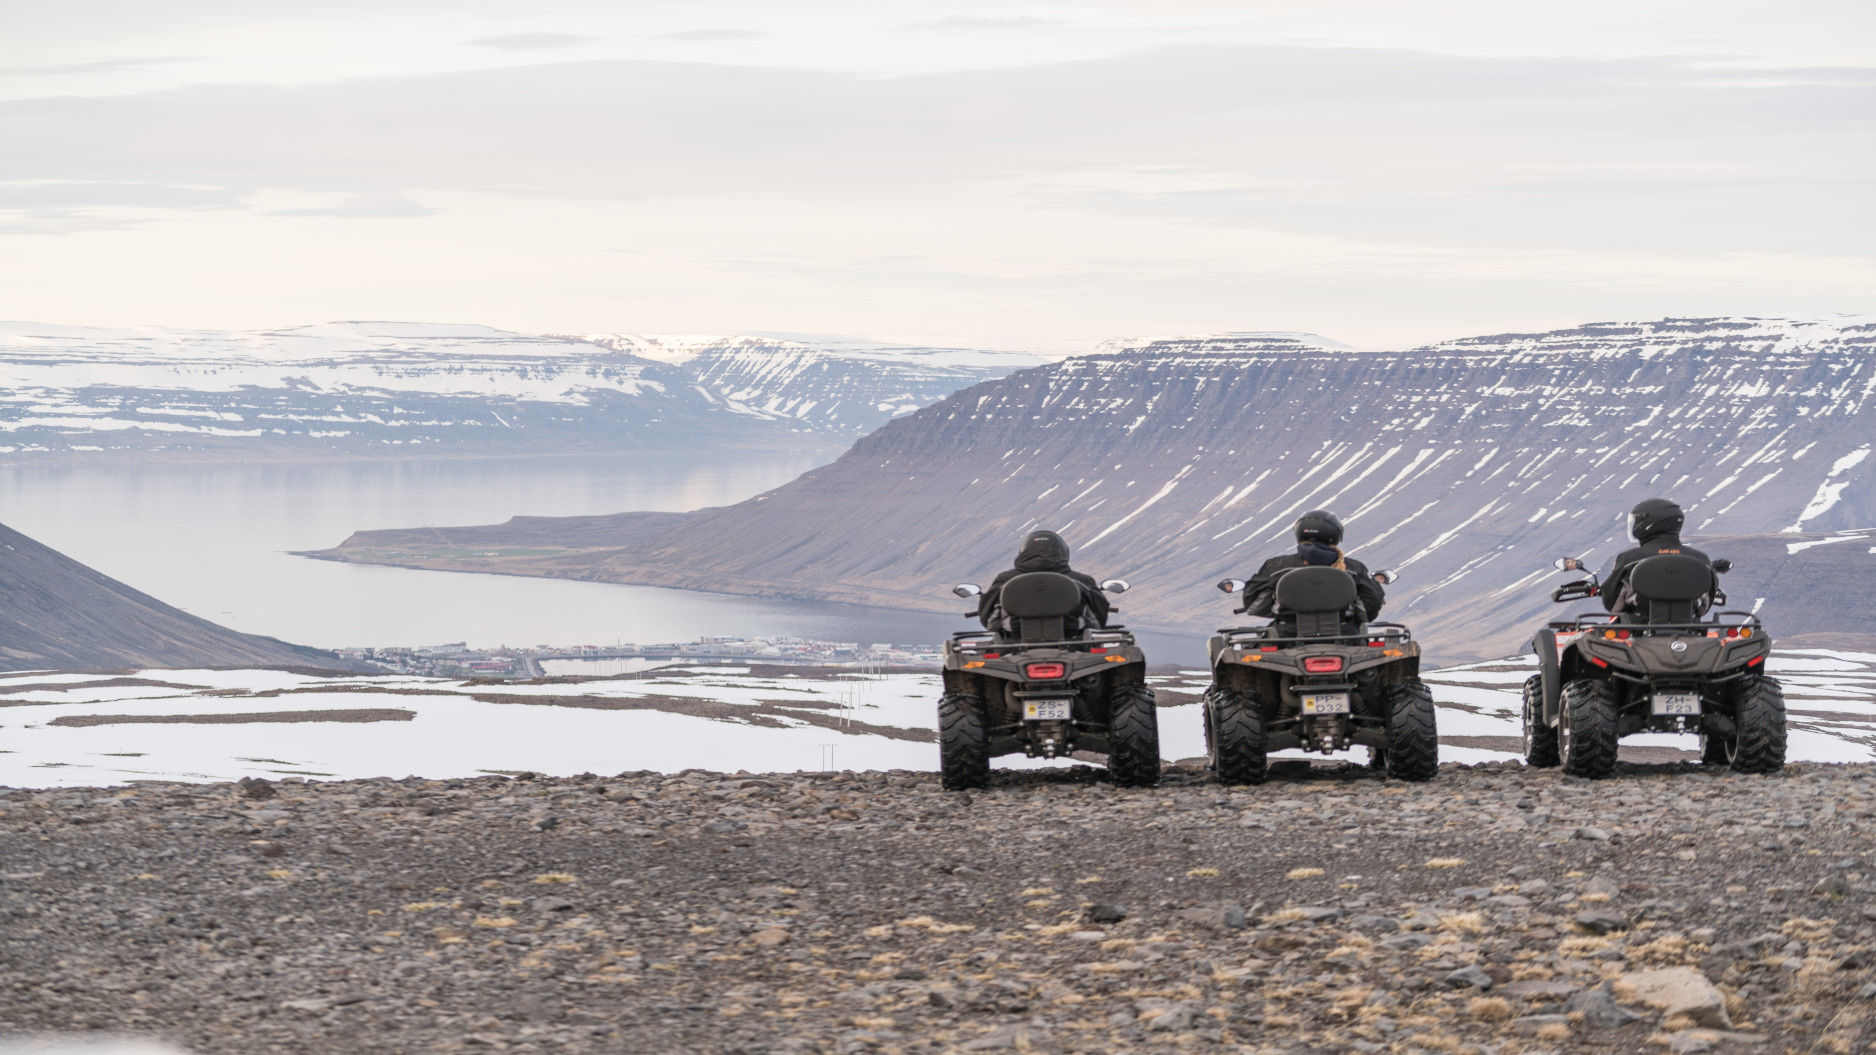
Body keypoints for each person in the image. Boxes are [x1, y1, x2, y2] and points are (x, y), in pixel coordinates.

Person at [1241, 509, 1385, 623]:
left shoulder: (1276, 566)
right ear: (1335, 534)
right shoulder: (1353, 568)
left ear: (1299, 532)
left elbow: (1253, 605)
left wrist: (1282, 613)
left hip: (1286, 635)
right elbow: (1370, 607)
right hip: (1344, 634)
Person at [978, 529, 1110, 637]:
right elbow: (1100, 616)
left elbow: (986, 616)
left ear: (1024, 552)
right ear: (1063, 552)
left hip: (1012, 643)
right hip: (1074, 641)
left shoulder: (1004, 580)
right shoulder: (1082, 581)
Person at [1600, 498, 1713, 616]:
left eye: (1637, 520)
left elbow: (1612, 602)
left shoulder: (1630, 559)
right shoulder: (1700, 559)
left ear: (1649, 523)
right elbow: (1706, 603)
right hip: (1688, 624)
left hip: (1639, 623)